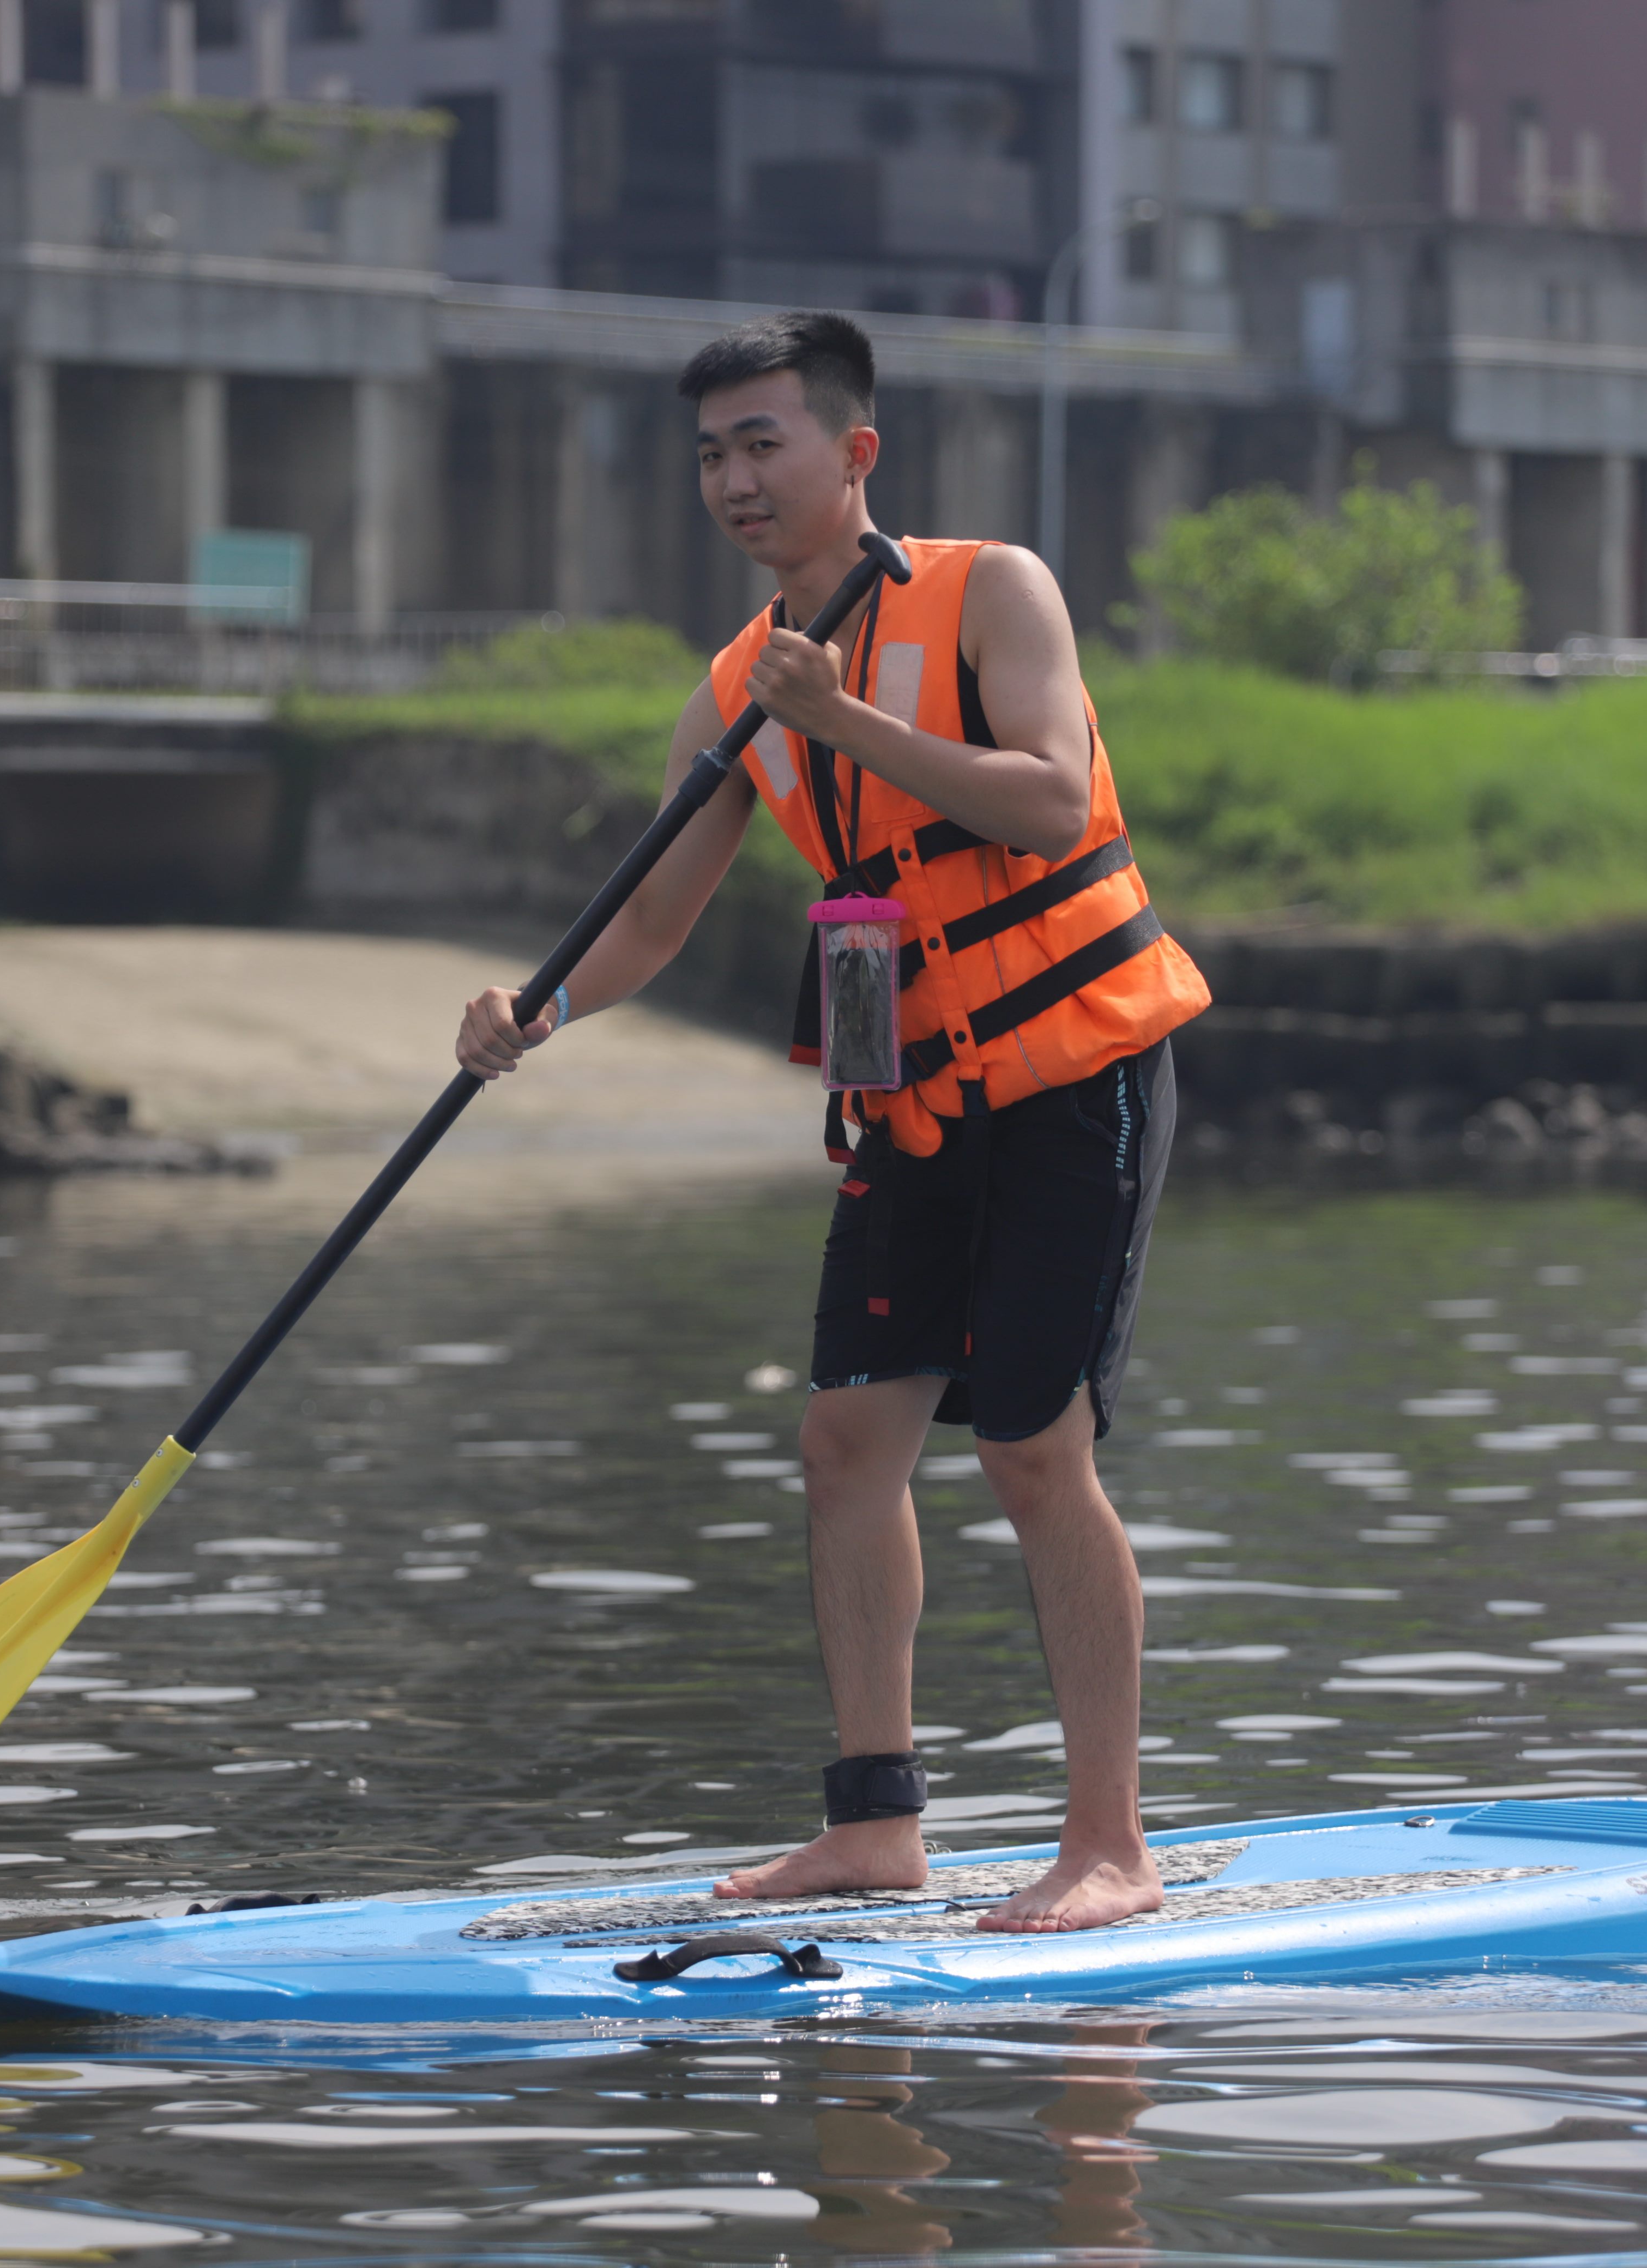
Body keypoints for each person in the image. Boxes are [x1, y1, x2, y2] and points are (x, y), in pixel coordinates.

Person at [452, 310, 1211, 1933]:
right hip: (911, 1106)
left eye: (762, 444)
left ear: (854, 455)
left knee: (1029, 1449)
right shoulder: (733, 690)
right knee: (845, 1443)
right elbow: (650, 917)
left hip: (1079, 1073)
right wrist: (544, 1008)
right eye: (711, 453)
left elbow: (1051, 796)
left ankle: (1110, 1849)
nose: (732, 479)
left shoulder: (990, 588)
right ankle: (878, 1824)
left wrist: (842, 713)